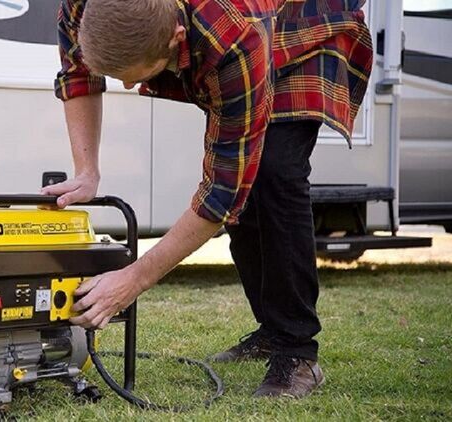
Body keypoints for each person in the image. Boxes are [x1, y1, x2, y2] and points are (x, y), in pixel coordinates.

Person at [42, 0, 372, 398]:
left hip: (307, 28)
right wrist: (87, 172)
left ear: (176, 37)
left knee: (275, 172)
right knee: (250, 188)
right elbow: (77, 75)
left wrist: (134, 278)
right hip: (250, 30)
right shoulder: (81, 7)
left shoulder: (234, 36)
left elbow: (220, 195)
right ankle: (272, 331)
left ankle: (297, 351)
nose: (128, 86)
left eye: (134, 76)